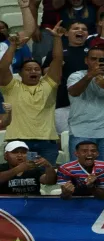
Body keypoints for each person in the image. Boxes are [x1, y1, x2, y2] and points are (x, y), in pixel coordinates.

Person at [0, 26, 63, 164]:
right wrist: (12, 46)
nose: (33, 71)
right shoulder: (12, 87)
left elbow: (57, 60)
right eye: (28, 69)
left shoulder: (49, 84)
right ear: (20, 73)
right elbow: (3, 68)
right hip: (20, 143)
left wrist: (57, 38)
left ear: (41, 73)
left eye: (36, 69)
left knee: (47, 181)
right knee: (26, 177)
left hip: (47, 143)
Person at [66, 47, 104, 164]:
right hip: (81, 132)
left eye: (101, 59)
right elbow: (74, 92)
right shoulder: (76, 76)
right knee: (80, 171)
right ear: (86, 60)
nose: (97, 62)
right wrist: (90, 75)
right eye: (93, 59)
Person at [43, 21, 90, 135]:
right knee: (65, 139)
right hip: (63, 102)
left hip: (88, 102)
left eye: (84, 29)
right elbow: (45, 74)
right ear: (67, 33)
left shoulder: (93, 53)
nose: (80, 31)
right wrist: (56, 65)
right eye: (76, 28)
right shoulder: (55, 53)